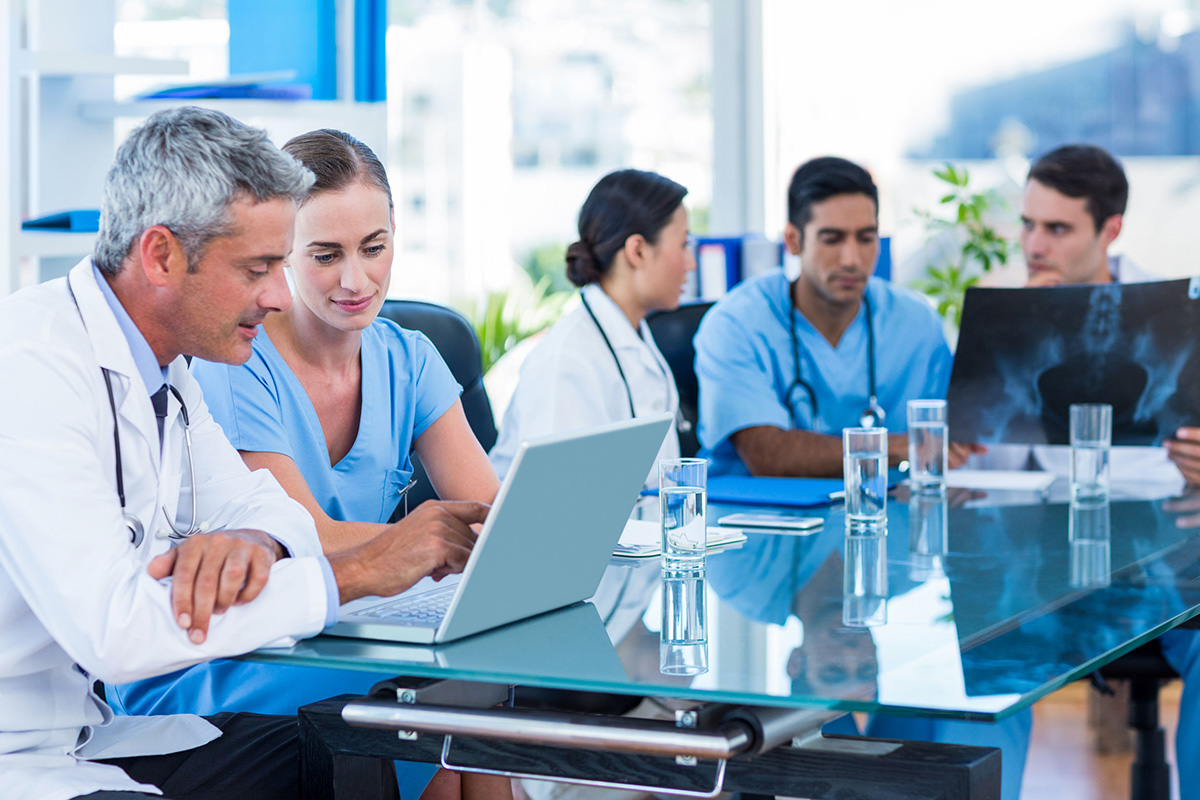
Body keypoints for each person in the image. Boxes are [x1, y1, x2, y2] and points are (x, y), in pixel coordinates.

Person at [0, 107, 490, 800]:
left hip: (86, 732)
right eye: (260, 267)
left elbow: (269, 511)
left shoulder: (167, 370)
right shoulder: (30, 366)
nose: (276, 295)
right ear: (161, 255)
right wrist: (361, 571)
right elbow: (114, 630)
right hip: (18, 755)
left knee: (366, 742)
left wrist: (252, 540)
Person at [970, 143, 1200, 798]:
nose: (1034, 244)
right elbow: (973, 471)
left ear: (1112, 230)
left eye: (1058, 228)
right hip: (1029, 568)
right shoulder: (998, 326)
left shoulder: (1180, 320)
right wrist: (1009, 335)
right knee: (965, 661)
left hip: (1163, 567)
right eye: (1028, 224)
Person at [694, 156, 982, 478]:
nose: (852, 259)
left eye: (866, 238)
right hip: (754, 520)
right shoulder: (736, 324)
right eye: (832, 239)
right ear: (793, 240)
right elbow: (768, 456)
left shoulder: (917, 324)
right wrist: (901, 446)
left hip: (883, 517)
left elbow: (952, 433)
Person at [490, 169, 693, 488]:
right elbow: (554, 499)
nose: (691, 263)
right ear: (637, 251)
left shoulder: (636, 336)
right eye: (683, 245)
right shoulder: (566, 360)